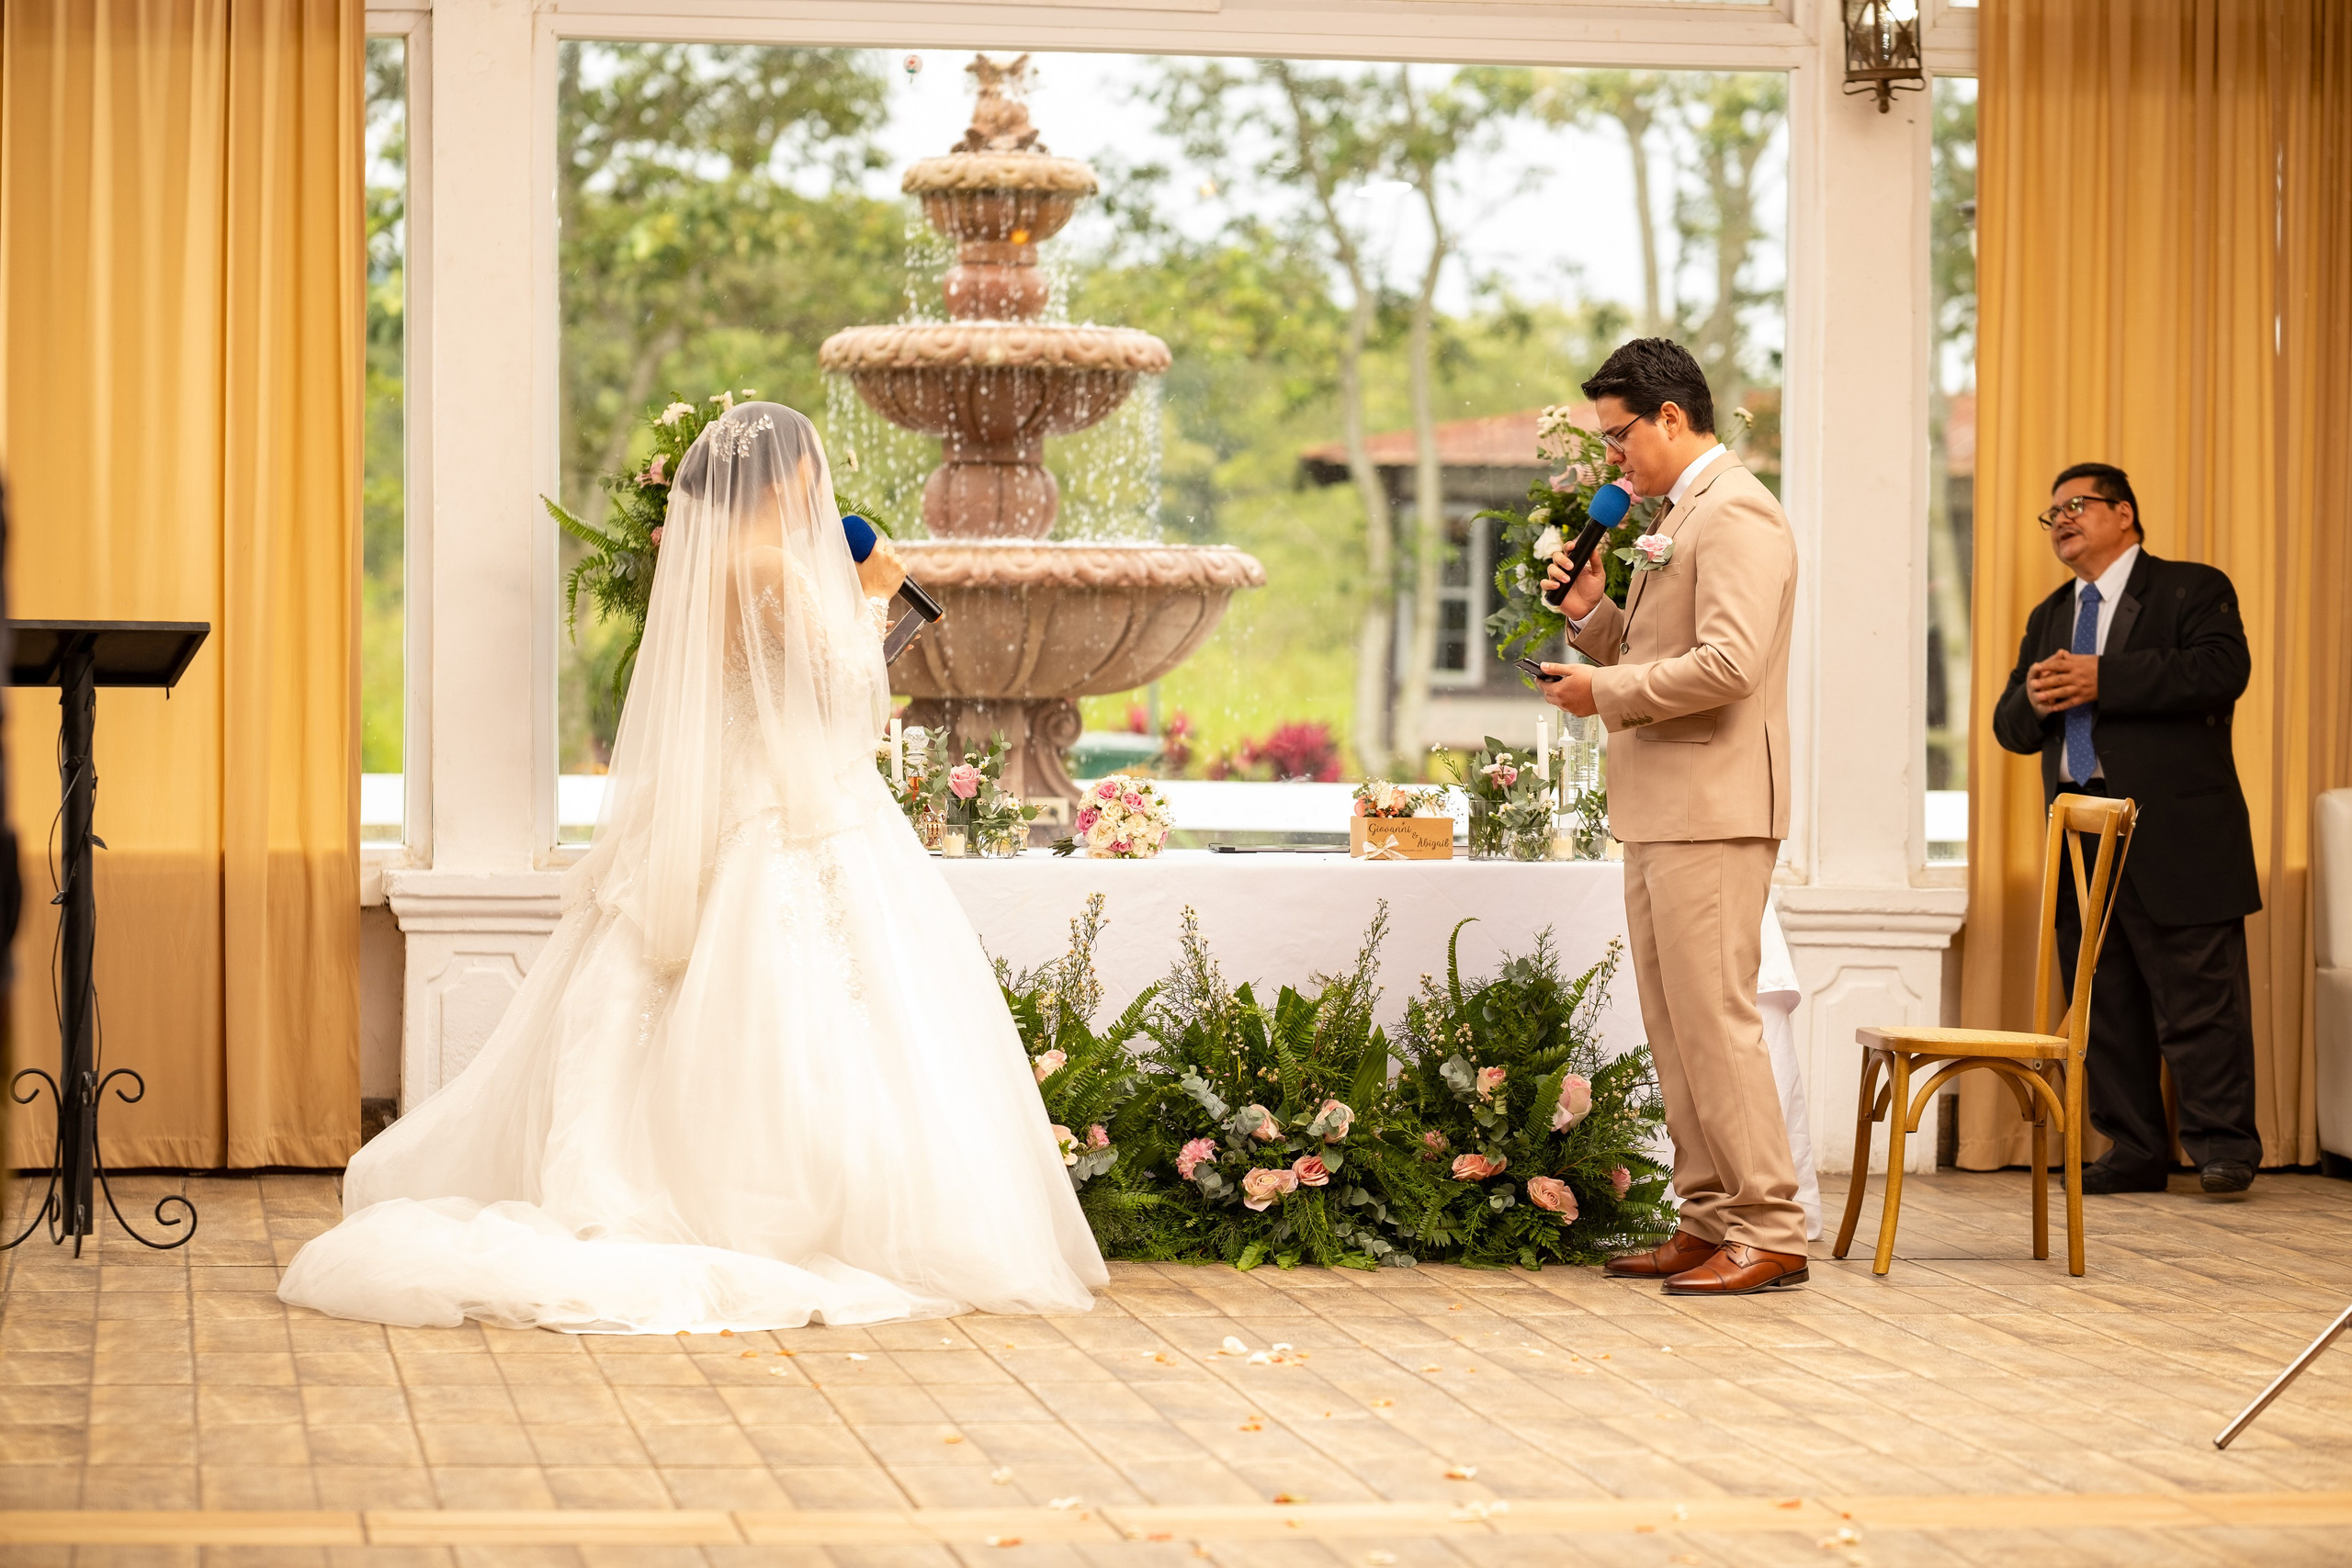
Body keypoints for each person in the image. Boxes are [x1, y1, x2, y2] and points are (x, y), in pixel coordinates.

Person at [280, 405, 1106, 1331]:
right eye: (806, 468)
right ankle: (792, 1204)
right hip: (792, 810)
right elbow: (844, 695)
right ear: (786, 479)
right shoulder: (770, 569)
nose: (814, 483)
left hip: (730, 800)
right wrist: (876, 589)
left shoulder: (715, 565)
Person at [1538, 338, 1809, 1295]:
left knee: (1716, 1020)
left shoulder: (1733, 511)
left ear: (1667, 417)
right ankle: (1706, 1216)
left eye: (1619, 439)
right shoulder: (1670, 517)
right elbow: (1657, 650)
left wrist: (1602, 689)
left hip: (1714, 803)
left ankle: (1769, 1224)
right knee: (1674, 1023)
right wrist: (1591, 612)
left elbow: (1729, 666)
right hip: (1660, 803)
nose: (1613, 460)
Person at [1991, 462, 2263, 1195]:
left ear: (2125, 513)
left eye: (2076, 505)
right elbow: (2010, 727)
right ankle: (2135, 1146)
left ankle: (2223, 1147)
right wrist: (2042, 700)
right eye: (2052, 514)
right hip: (2085, 833)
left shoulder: (2191, 588)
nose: (2062, 521)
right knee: (2104, 997)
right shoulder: (2051, 613)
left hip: (2177, 828)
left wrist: (2105, 677)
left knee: (2199, 997)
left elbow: (2220, 670)